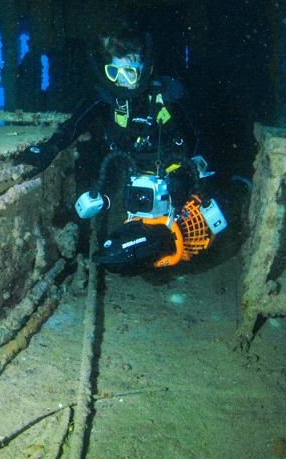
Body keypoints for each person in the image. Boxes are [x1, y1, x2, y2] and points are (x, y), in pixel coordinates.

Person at [15, 23, 227, 272]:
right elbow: (73, 126)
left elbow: (204, 135)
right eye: (114, 72)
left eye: (129, 73)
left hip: (178, 173)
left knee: (211, 224)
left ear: (145, 67)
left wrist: (188, 177)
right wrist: (48, 150)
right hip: (130, 171)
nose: (121, 82)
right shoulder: (106, 96)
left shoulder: (168, 93)